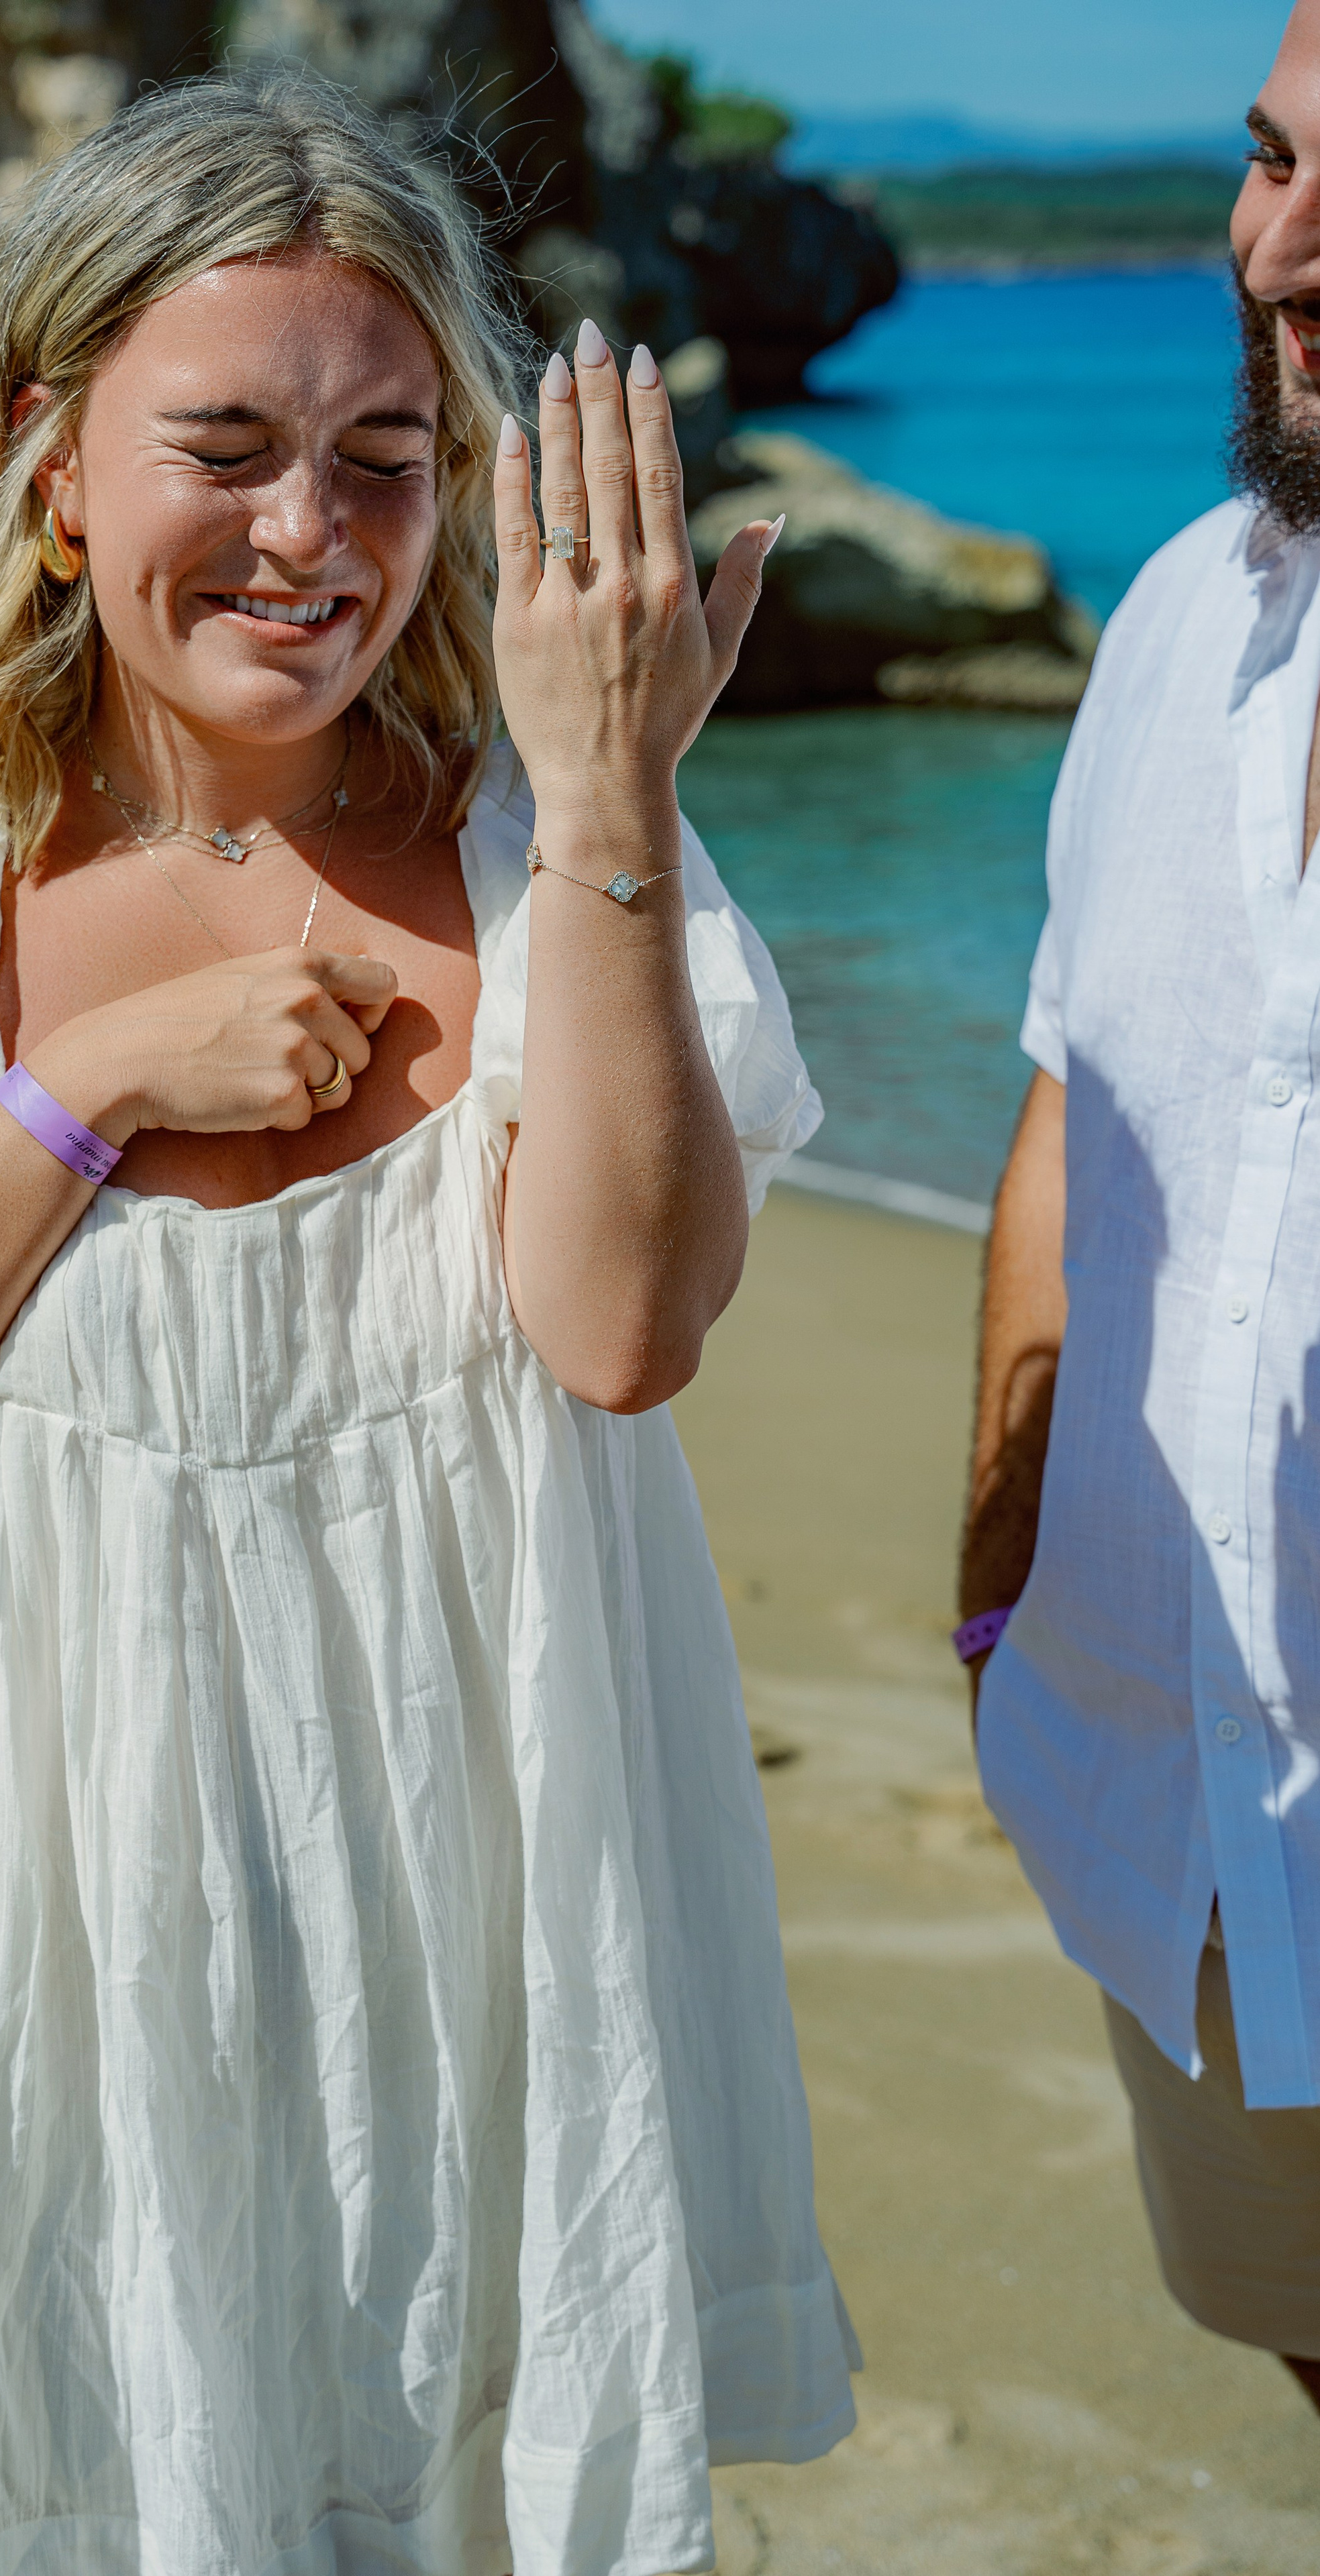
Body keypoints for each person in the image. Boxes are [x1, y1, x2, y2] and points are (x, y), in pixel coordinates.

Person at [0, 70, 857, 2576]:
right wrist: (80, 1089)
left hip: (477, 2003)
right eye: (231, 445)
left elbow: (619, 1331)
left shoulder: (562, 874)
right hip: (16, 1983)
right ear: (55, 466)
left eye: (390, 454)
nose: (314, 535)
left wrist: (609, 806)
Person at [960, 0, 1320, 2416]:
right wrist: (998, 1583)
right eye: (1273, 161)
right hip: (1176, 1785)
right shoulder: (1181, 610)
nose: (1283, 250)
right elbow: (1077, 1110)